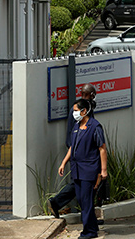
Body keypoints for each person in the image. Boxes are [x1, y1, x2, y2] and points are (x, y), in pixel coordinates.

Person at [58, 99, 108, 239]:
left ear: (84, 111)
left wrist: (103, 170)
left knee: (86, 200)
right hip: (77, 169)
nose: (74, 113)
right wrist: (64, 162)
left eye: (75, 110)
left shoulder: (95, 126)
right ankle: (93, 226)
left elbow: (102, 148)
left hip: (89, 169)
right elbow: (72, 147)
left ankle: (89, 232)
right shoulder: (76, 126)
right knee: (81, 199)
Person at [48, 84, 98, 219]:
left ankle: (88, 217)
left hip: (78, 148)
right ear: (91, 94)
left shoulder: (83, 106)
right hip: (79, 150)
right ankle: (57, 202)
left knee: (83, 183)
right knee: (82, 183)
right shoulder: (82, 109)